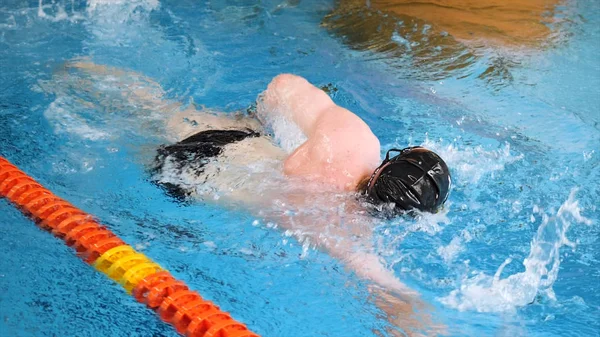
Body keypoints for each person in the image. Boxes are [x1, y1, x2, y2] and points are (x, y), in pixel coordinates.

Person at [50, 61, 451, 336]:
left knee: (152, 108)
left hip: (234, 142)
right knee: (131, 135)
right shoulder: (349, 235)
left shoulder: (353, 142)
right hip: (190, 177)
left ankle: (71, 73)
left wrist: (266, 119)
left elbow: (283, 86)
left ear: (385, 167)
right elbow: (395, 297)